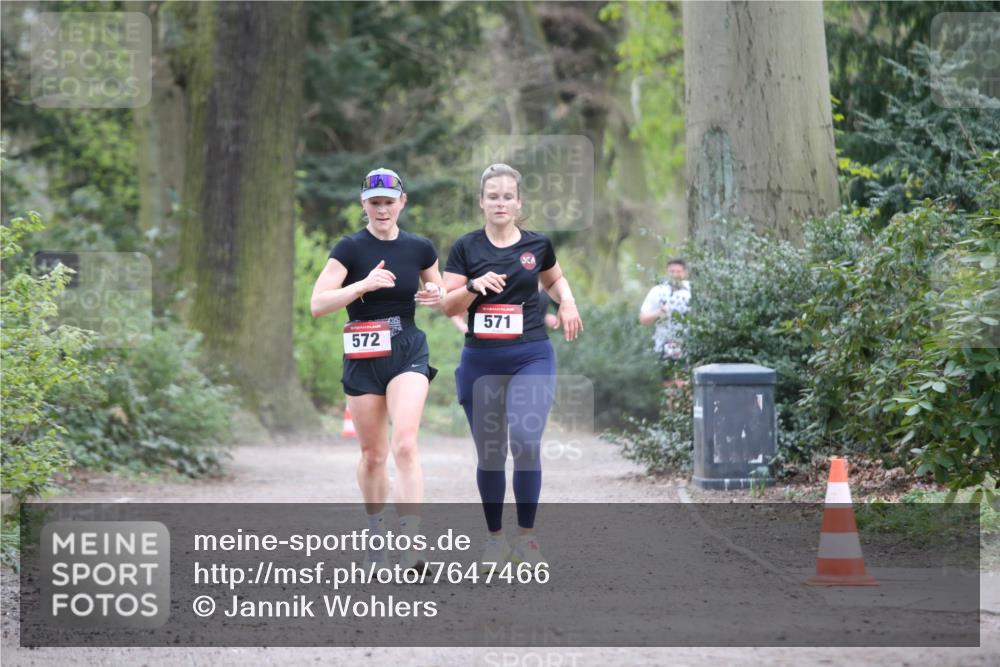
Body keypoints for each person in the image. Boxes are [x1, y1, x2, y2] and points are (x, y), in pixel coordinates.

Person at [441, 163, 583, 571]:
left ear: (518, 203)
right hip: (480, 360)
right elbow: (448, 305)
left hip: (530, 355)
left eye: (507, 196)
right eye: (492, 196)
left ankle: (526, 539)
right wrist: (472, 286)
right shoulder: (465, 247)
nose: (500, 202)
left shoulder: (537, 245)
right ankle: (495, 541)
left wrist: (567, 301)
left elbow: (555, 281)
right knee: (489, 453)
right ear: (482, 202)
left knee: (524, 438)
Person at [310, 167, 444, 571]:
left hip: (407, 347)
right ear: (364, 204)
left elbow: (438, 290)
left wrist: (436, 295)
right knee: (373, 455)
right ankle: (375, 538)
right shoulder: (349, 249)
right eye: (374, 203)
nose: (382, 209)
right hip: (363, 351)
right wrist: (361, 286)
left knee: (405, 444)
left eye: (389, 201)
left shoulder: (420, 248)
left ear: (402, 202)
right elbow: (318, 304)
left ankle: (412, 546)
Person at [639, 257, 690, 361]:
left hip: (689, 347)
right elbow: (643, 319)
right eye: (672, 272)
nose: (675, 275)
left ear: (684, 273)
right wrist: (659, 312)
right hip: (663, 347)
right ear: (667, 272)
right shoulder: (658, 291)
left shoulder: (692, 290)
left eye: (679, 272)